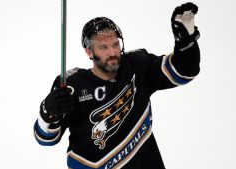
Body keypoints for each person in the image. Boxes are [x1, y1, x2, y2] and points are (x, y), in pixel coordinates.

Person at [34, 2, 200, 169]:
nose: (112, 52)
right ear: (89, 52)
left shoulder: (137, 66)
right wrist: (47, 113)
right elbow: (46, 138)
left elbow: (182, 72)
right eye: (103, 47)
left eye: (115, 44)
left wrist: (186, 43)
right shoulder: (72, 86)